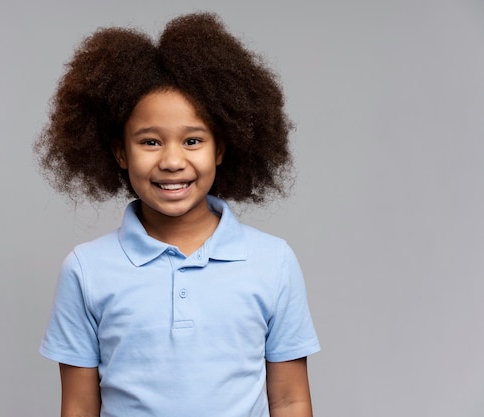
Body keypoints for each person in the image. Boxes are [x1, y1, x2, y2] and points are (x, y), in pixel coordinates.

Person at [36, 12, 320, 417]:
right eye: (150, 141)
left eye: (192, 140)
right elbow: (79, 407)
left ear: (221, 148)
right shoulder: (86, 270)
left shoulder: (272, 263)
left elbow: (291, 400)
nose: (172, 161)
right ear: (120, 151)